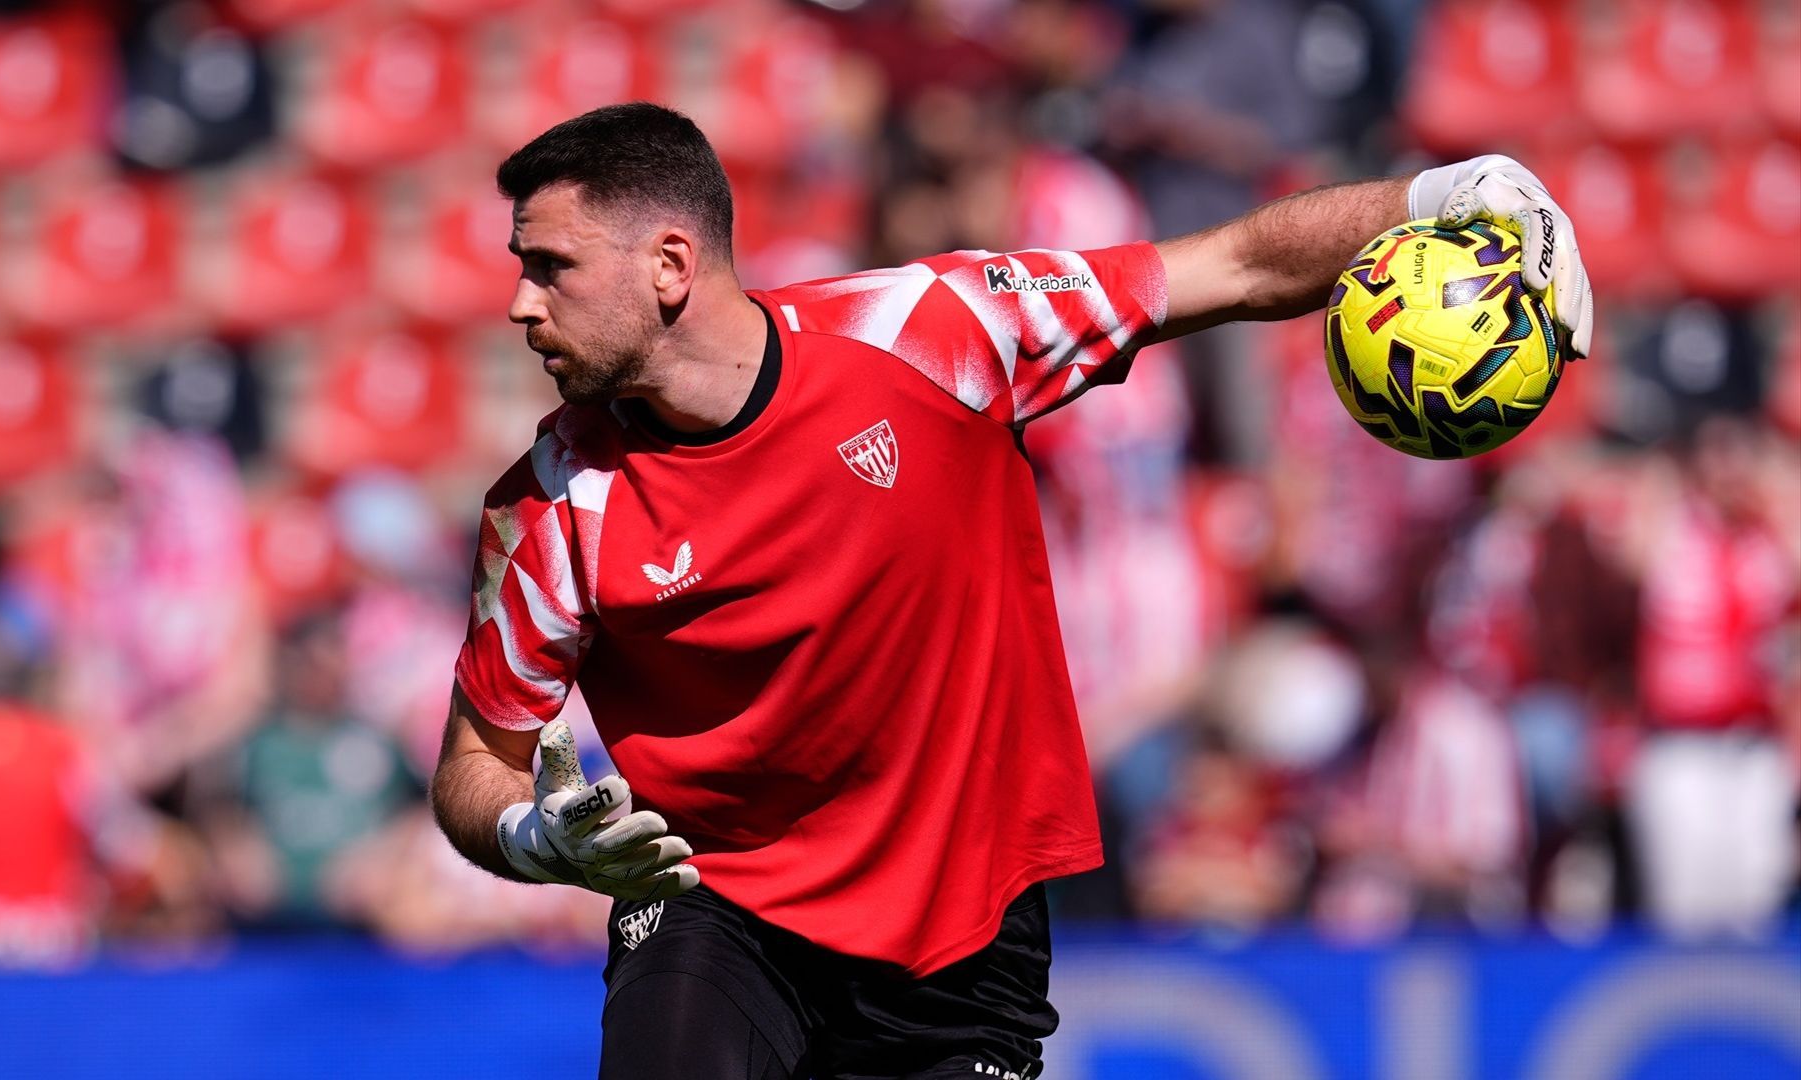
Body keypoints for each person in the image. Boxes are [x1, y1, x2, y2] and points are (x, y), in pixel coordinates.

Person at [428, 103, 1593, 1079]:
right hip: (716, 901)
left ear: (671, 265)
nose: (523, 305)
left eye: (551, 268)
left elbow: (1231, 266)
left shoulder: (933, 331)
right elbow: (475, 763)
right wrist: (539, 840)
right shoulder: (546, 506)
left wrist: (1445, 197)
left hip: (960, 930)